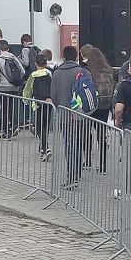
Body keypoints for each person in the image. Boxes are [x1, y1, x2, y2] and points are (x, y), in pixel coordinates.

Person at [50, 46, 90, 188]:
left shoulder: (57, 74)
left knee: (69, 145)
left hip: (65, 115)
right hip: (81, 115)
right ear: (76, 57)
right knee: (79, 144)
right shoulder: (83, 72)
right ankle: (77, 172)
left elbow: (53, 96)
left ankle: (71, 176)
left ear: (64, 57)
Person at [84, 47, 115, 173]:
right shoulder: (110, 70)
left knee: (87, 134)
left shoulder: (88, 71)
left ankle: (88, 160)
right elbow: (112, 87)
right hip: (105, 105)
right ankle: (103, 165)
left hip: (92, 106)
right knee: (102, 136)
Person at [23, 54, 53, 161]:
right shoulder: (49, 73)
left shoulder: (33, 75)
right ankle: (43, 147)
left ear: (35, 63)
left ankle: (46, 148)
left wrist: (26, 100)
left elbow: (28, 90)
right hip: (49, 103)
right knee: (46, 125)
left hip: (38, 104)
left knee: (39, 126)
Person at [0, 40, 25, 139]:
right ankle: (12, 126)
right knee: (11, 108)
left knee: (4, 109)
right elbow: (22, 71)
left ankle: (8, 130)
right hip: (14, 87)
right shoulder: (14, 58)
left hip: (3, 87)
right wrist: (15, 81)